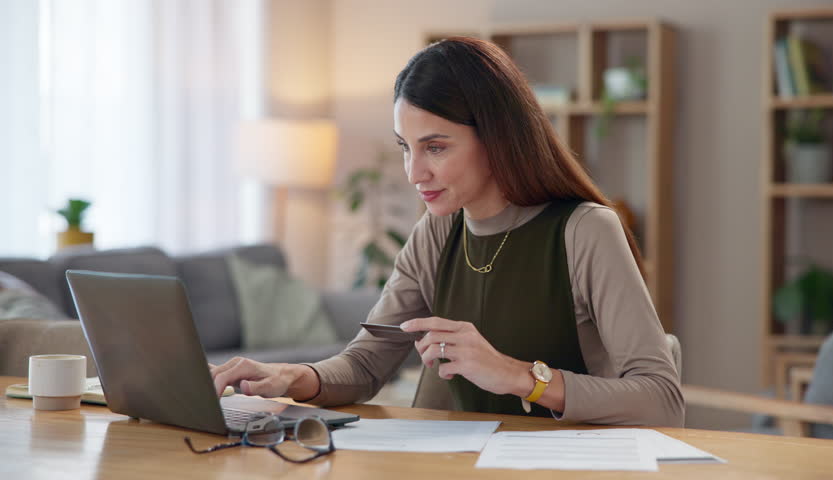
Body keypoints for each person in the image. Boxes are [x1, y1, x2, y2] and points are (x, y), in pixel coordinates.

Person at [211, 37, 684, 426]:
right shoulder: (436, 233)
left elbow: (661, 399)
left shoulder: (585, 231)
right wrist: (292, 378)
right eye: (405, 148)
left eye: (435, 148)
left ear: (497, 137)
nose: (415, 173)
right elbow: (366, 362)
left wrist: (521, 377)